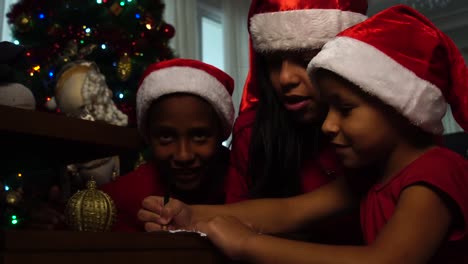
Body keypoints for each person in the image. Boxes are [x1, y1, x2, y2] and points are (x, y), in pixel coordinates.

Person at [138, 5, 468, 263]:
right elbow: (289, 211)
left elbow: (386, 260)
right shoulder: (372, 174)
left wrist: (250, 244)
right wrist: (191, 216)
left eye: (345, 109)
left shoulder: (436, 171)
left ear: (399, 108)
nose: (328, 124)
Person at [225, 0, 368, 244]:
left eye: (305, 60)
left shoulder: (382, 129)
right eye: (273, 62)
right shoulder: (253, 134)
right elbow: (232, 226)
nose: (285, 78)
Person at [100, 58, 235, 232]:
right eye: (166, 137)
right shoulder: (122, 199)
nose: (183, 155)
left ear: (221, 134)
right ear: (148, 136)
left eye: (199, 136)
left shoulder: (245, 184)